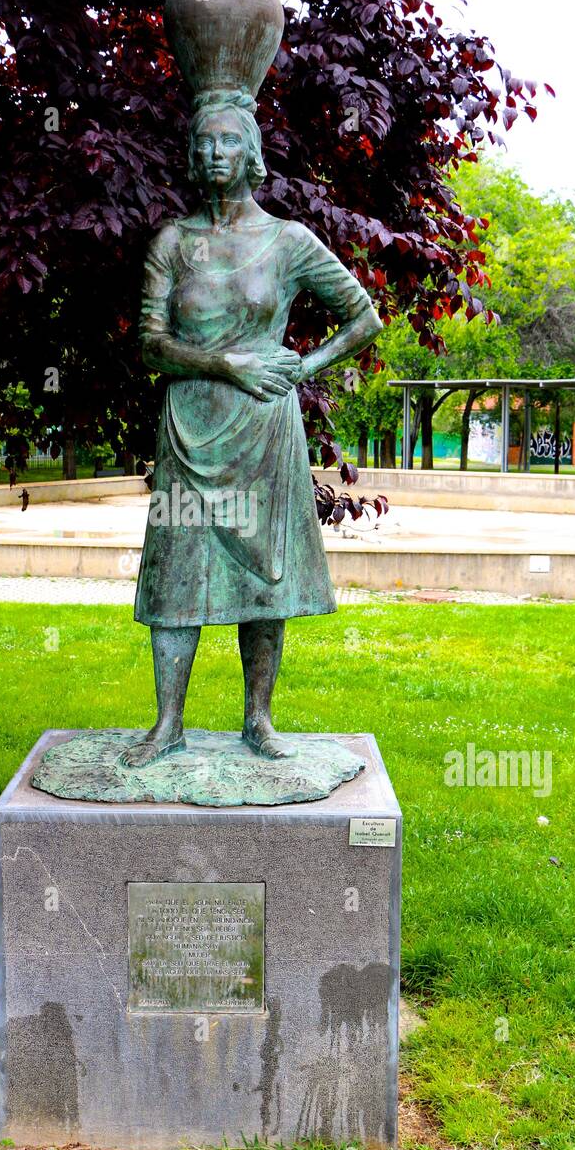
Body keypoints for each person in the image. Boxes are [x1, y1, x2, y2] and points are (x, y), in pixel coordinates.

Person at [121, 89, 382, 768]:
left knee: (264, 578)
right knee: (177, 573)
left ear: (252, 153)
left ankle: (259, 721)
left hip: (265, 427)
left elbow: (362, 317)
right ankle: (167, 724)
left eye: (228, 141)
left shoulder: (287, 241)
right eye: (203, 141)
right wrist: (223, 362)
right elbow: (151, 344)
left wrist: (304, 367)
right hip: (190, 423)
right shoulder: (173, 243)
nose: (214, 153)